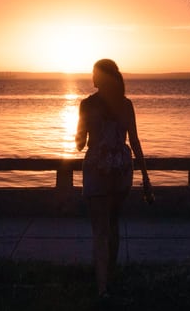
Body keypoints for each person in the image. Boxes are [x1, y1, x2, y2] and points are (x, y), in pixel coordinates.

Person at [75, 58, 150, 299]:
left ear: (101, 77)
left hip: (98, 168)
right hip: (120, 169)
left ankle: (102, 287)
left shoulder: (87, 105)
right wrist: (146, 177)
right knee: (114, 225)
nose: (91, 77)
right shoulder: (126, 104)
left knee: (99, 230)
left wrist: (82, 135)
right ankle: (110, 276)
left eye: (94, 73)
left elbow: (80, 143)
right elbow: (135, 142)